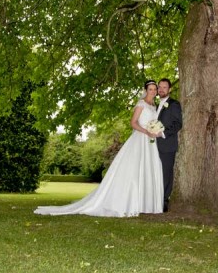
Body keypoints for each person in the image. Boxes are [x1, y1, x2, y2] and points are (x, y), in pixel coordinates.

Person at [34, 80, 164, 217]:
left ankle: (144, 204)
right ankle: (127, 202)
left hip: (150, 142)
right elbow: (133, 123)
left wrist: (155, 131)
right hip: (139, 139)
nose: (153, 91)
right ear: (145, 90)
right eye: (150, 89)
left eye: (155, 89)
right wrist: (146, 132)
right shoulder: (141, 104)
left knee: (147, 170)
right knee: (133, 170)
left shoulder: (153, 106)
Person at [155, 78, 182, 212]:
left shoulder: (174, 104)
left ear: (169, 89)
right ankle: (154, 199)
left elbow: (178, 124)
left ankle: (164, 201)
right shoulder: (155, 106)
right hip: (153, 146)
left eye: (164, 87)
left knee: (166, 173)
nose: (161, 90)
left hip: (167, 145)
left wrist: (163, 133)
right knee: (155, 172)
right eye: (159, 87)